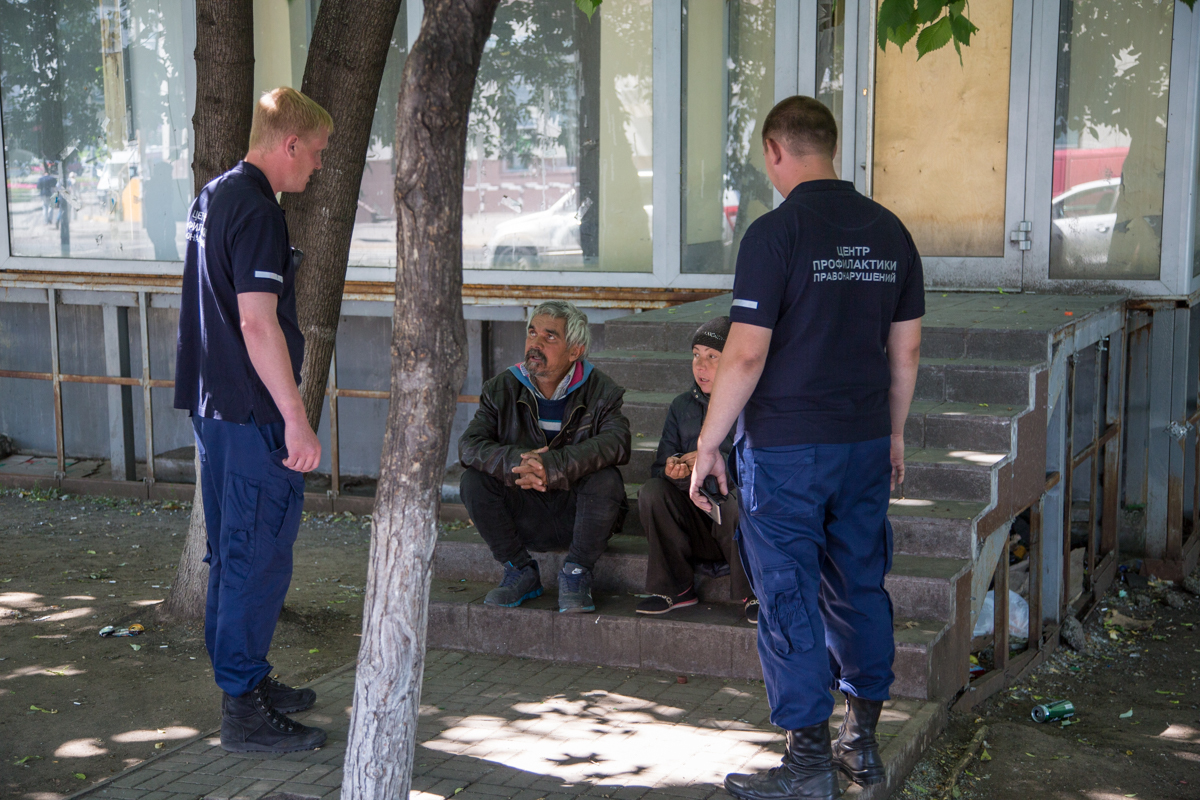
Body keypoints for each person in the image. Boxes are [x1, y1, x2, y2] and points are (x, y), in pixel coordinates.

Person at [689, 96, 924, 800]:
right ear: (831, 144)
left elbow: (744, 357)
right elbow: (905, 349)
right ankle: (863, 750)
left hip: (788, 450)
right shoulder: (890, 232)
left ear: (774, 152)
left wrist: (708, 443)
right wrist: (895, 432)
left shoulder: (774, 234)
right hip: (861, 443)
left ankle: (807, 768)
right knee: (858, 587)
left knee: (789, 597)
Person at [173, 87, 332, 754]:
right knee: (254, 558)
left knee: (234, 553)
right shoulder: (260, 212)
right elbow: (256, 322)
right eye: (317, 153)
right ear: (289, 143)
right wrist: (296, 418)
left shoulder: (214, 195)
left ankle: (247, 679)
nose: (318, 167)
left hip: (216, 407)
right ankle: (242, 708)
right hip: (251, 414)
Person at [458, 300, 631, 614]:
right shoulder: (501, 388)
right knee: (473, 480)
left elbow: (617, 441)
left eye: (550, 337)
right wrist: (520, 463)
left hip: (578, 514)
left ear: (575, 350)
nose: (535, 344)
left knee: (607, 478)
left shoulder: (601, 390)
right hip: (524, 512)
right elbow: (469, 445)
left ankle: (577, 571)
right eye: (532, 333)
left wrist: (554, 466)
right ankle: (520, 570)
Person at [635, 316, 757, 624]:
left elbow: (762, 472)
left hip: (734, 524)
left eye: (712, 357)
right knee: (652, 492)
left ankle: (755, 592)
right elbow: (659, 467)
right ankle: (674, 589)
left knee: (738, 501)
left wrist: (716, 463)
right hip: (694, 522)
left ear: (733, 360)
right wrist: (674, 469)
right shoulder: (682, 406)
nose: (700, 366)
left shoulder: (755, 404)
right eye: (696, 355)